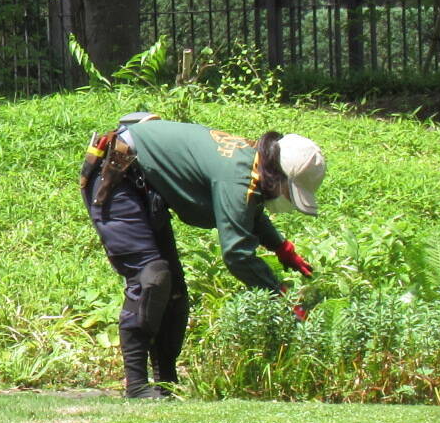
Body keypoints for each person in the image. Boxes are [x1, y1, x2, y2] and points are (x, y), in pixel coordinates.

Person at [80, 114, 325, 399]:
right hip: (116, 175)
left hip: (145, 186)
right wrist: (279, 295)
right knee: (151, 278)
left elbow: (249, 212)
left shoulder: (253, 162)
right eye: (290, 192)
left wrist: (281, 247)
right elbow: (237, 255)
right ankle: (136, 387)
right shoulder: (238, 174)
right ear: (279, 176)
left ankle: (166, 385)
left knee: (173, 292)